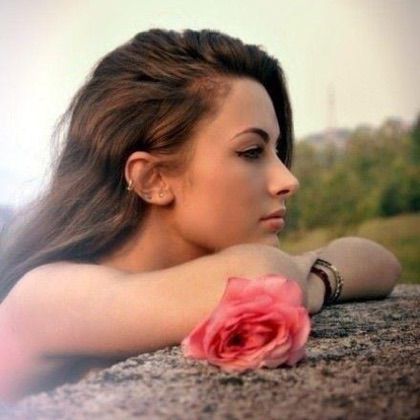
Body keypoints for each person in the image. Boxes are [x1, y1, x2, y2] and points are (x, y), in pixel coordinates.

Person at [0, 28, 401, 403]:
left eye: (277, 151)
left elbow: (378, 260)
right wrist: (293, 279)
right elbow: (263, 274)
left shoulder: (193, 283)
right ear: (153, 179)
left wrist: (312, 283)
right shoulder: (46, 295)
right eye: (251, 152)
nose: (288, 180)